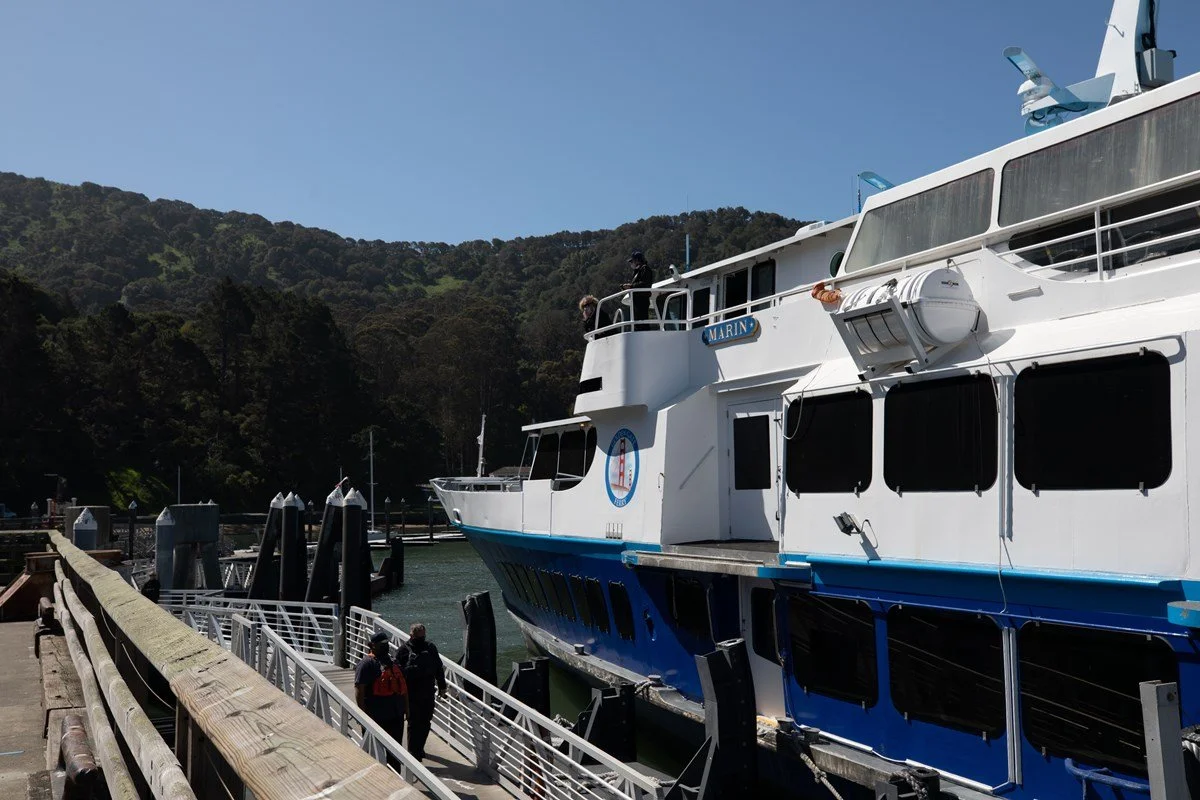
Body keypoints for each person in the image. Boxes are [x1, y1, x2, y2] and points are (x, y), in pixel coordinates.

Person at [354, 631, 409, 765]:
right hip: (375, 715)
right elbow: (359, 690)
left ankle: (396, 778)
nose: (385, 646)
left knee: (395, 752)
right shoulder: (366, 664)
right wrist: (362, 715)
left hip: (396, 714)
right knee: (373, 753)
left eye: (386, 643)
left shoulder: (393, 662)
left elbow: (404, 689)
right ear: (371, 645)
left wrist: (407, 709)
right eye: (381, 644)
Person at [396, 623, 447, 761]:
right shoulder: (403, 650)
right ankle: (413, 752)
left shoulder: (430, 647)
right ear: (411, 635)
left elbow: (438, 667)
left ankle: (419, 748)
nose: (421, 639)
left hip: (428, 691)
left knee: (425, 721)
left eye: (423, 636)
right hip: (410, 693)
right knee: (413, 722)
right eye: (418, 637)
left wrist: (442, 686)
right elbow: (398, 672)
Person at [622, 251, 654, 329]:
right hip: (637, 301)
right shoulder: (638, 271)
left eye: (632, 261)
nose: (631, 264)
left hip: (642, 300)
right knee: (637, 323)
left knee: (642, 322)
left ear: (637, 260)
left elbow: (644, 284)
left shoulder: (645, 269)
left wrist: (631, 286)